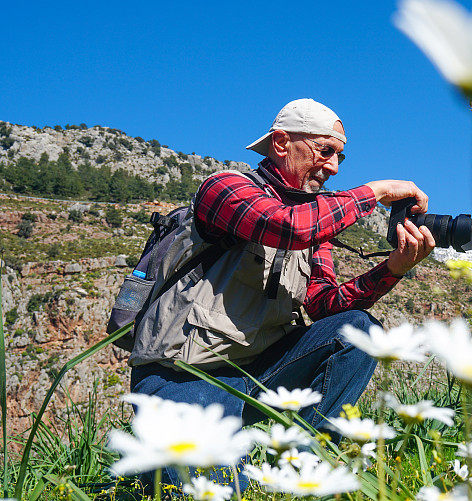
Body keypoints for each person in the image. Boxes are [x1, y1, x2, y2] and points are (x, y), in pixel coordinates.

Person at [127, 98, 435, 485]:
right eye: (325, 151)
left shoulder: (315, 226)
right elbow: (285, 226)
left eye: (340, 156)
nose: (334, 167)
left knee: (357, 329)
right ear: (281, 143)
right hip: (184, 377)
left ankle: (300, 468)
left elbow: (326, 306)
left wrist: (394, 268)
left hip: (260, 371)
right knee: (219, 493)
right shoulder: (224, 187)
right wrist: (377, 191)